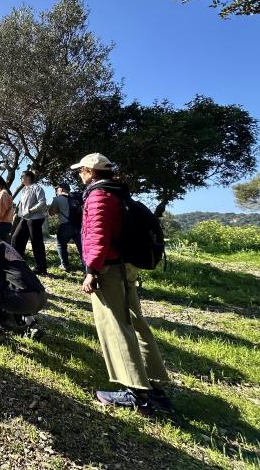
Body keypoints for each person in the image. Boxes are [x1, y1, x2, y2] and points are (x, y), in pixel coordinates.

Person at [72, 153, 172, 415]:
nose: (79, 174)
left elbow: (96, 236)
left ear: (91, 171)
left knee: (115, 326)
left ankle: (135, 392)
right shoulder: (118, 192)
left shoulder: (98, 196)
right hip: (126, 266)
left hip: (109, 269)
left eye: (81, 170)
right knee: (135, 323)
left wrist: (91, 271)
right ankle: (155, 386)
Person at [10, 171, 48, 276]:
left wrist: (31, 210)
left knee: (36, 243)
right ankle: (17, 263)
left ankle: (41, 268)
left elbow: (42, 202)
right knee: (15, 238)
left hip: (35, 218)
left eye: (22, 176)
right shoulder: (24, 190)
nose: (21, 178)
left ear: (29, 177)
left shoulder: (37, 188)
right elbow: (21, 204)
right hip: (24, 218)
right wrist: (16, 213)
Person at [48, 183, 84, 272]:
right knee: (81, 248)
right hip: (78, 226)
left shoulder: (57, 199)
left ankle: (65, 265)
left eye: (57, 189)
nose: (56, 191)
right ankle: (86, 267)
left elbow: (51, 213)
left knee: (61, 245)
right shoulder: (76, 198)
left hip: (65, 225)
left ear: (61, 189)